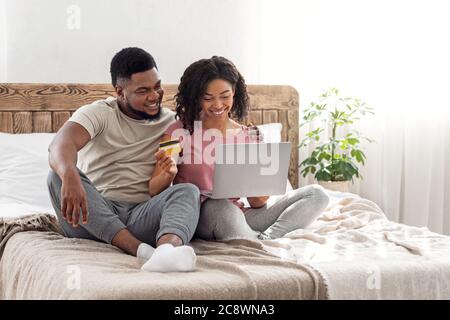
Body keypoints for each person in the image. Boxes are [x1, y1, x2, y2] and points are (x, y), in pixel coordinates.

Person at [47, 47, 200, 272]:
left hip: (141, 215)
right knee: (56, 177)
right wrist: (69, 175)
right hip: (92, 217)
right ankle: (141, 251)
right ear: (120, 92)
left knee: (188, 191)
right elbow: (60, 145)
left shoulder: (170, 123)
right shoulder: (99, 113)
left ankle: (166, 252)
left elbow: (213, 139)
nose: (154, 96)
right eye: (143, 90)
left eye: (158, 86)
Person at [150, 56, 330, 241]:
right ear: (196, 97)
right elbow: (154, 190)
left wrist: (259, 192)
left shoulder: (250, 136)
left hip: (240, 217)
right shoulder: (179, 131)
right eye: (208, 98)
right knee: (219, 206)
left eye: (225, 96)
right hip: (204, 216)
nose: (218, 105)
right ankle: (253, 239)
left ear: (234, 92)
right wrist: (168, 174)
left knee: (317, 194)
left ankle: (266, 239)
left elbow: (257, 203)